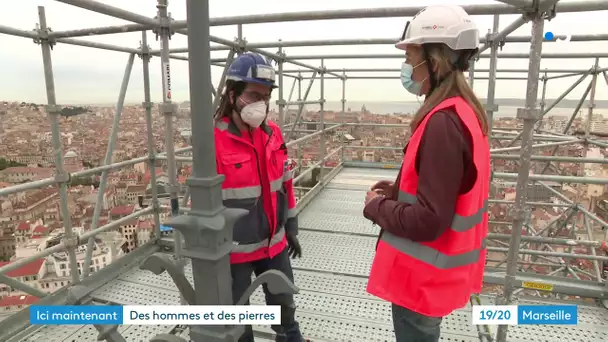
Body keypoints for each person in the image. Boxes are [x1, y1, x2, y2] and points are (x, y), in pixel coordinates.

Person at [362, 5, 491, 342]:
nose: (407, 67)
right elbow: (446, 192)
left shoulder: (442, 123)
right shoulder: (463, 114)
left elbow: (429, 220)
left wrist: (375, 206)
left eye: (411, 56)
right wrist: (397, 191)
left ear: (434, 61)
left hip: (421, 278)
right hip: (436, 274)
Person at [213, 52, 304, 342]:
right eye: (253, 95)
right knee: (239, 323)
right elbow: (203, 201)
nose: (260, 104)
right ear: (232, 94)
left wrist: (291, 226)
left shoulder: (273, 134)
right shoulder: (213, 141)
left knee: (284, 309)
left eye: (265, 97)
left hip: (274, 245)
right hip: (235, 252)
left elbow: (285, 183)